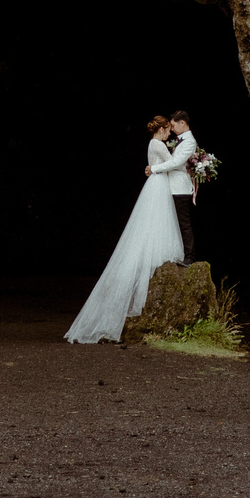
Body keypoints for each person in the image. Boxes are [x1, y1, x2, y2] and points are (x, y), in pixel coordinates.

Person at [63, 115, 187, 344]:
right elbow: (173, 163)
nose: (170, 133)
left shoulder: (154, 144)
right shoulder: (158, 144)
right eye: (167, 129)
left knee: (152, 222)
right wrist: (190, 162)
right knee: (156, 221)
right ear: (160, 129)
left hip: (156, 182)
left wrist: (153, 168)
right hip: (159, 185)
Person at [150, 108, 198, 260]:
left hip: (180, 188)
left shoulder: (189, 142)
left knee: (183, 223)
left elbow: (177, 162)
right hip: (170, 186)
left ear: (182, 123)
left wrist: (154, 169)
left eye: (173, 125)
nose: (171, 129)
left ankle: (189, 257)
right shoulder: (178, 140)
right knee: (172, 223)